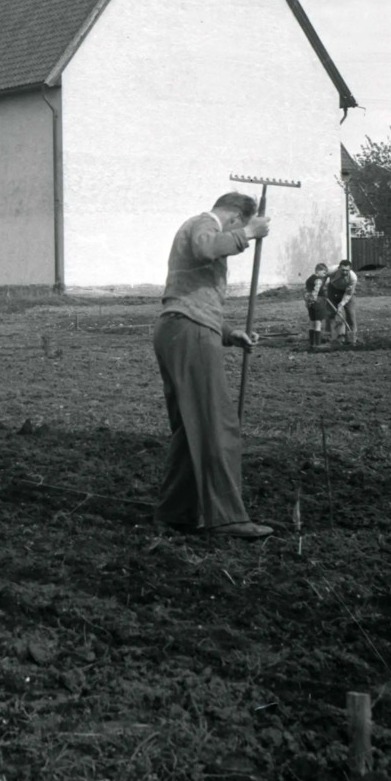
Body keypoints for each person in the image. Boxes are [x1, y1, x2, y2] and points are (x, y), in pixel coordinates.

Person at [153, 192, 273, 539]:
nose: (241, 241)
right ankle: (226, 518)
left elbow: (192, 297)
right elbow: (208, 247)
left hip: (181, 328)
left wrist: (228, 333)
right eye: (240, 227)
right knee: (219, 425)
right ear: (236, 217)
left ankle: (175, 513)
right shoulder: (204, 223)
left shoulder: (197, 229)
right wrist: (249, 234)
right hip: (188, 332)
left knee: (191, 428)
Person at [325, 258, 359, 344]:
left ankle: (351, 338)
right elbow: (322, 277)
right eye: (343, 270)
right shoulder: (332, 270)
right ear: (339, 268)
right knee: (329, 313)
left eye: (347, 270)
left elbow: (348, 294)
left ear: (350, 269)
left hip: (346, 292)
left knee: (351, 313)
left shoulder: (353, 278)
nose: (345, 272)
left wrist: (341, 304)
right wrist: (322, 289)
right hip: (332, 289)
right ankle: (329, 336)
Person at [303, 262, 330, 350]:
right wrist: (315, 300)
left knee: (312, 322)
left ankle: (312, 343)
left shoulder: (310, 279)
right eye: (323, 272)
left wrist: (308, 302)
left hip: (309, 302)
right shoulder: (318, 280)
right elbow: (316, 291)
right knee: (318, 322)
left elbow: (307, 290)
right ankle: (318, 344)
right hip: (318, 301)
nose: (324, 274)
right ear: (318, 271)